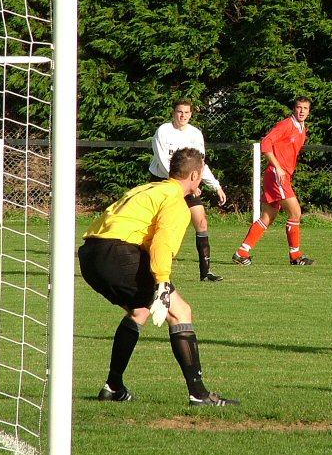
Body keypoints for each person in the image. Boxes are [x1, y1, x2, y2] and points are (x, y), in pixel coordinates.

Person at [78, 147, 239, 407]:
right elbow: (162, 244)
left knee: (139, 311)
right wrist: (162, 281)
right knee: (180, 312)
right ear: (195, 175)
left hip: (90, 255)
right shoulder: (176, 202)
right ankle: (198, 393)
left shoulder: (147, 189)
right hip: (118, 253)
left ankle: (113, 386)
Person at [149, 98, 227, 282]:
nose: (183, 115)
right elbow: (163, 161)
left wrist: (215, 186)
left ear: (191, 114)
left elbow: (199, 164)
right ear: (173, 113)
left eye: (186, 112)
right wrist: (187, 184)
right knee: (157, 226)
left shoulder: (195, 134)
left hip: (186, 185)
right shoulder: (164, 131)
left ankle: (205, 272)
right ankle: (149, 269)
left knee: (201, 222)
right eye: (179, 112)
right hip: (163, 182)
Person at [233, 96, 314, 266]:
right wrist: (277, 166)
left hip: (282, 176)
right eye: (299, 107)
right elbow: (266, 143)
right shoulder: (286, 125)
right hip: (277, 176)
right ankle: (295, 256)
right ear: (294, 109)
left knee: (268, 216)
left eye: (305, 108)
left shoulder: (302, 128)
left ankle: (242, 252)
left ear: (309, 111)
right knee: (295, 212)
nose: (301, 111)